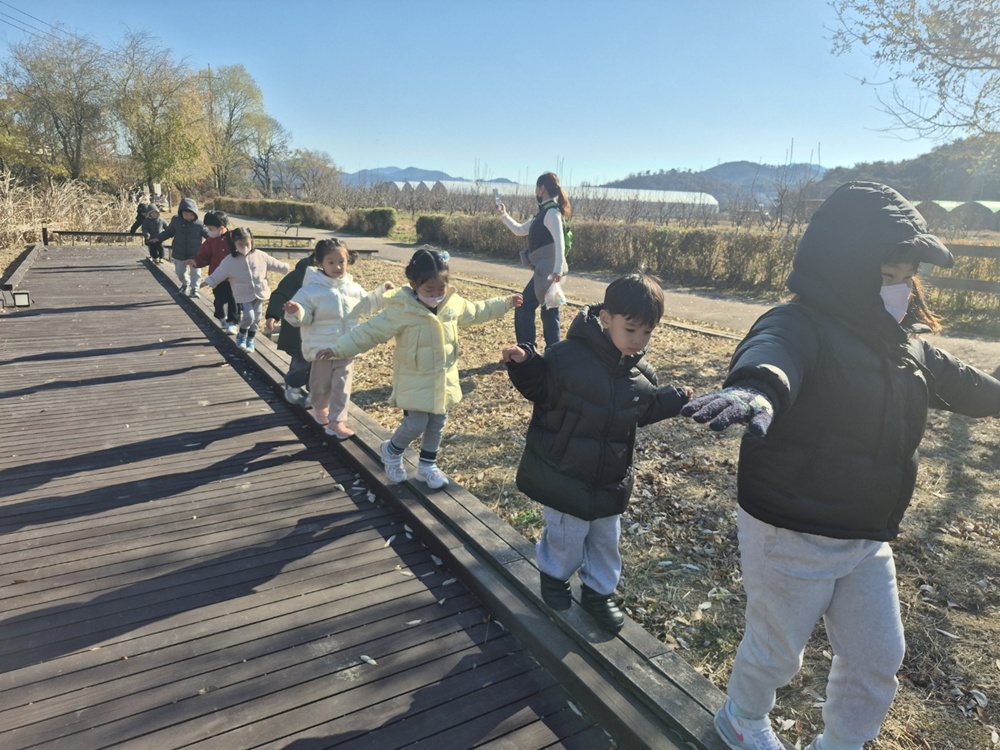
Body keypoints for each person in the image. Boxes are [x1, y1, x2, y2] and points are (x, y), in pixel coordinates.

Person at [679, 182, 1000, 750]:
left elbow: (974, 387)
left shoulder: (907, 347)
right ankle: (742, 718)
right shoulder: (799, 324)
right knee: (778, 651)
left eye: (905, 275)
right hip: (790, 526)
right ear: (844, 268)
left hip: (865, 534)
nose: (898, 289)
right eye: (885, 275)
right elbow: (772, 355)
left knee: (879, 657)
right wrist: (758, 391)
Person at [502, 273, 692, 632]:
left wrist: (673, 399)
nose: (639, 341)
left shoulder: (641, 374)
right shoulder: (566, 357)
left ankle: (598, 592)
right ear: (606, 320)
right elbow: (539, 386)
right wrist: (524, 363)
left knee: (606, 541)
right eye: (631, 329)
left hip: (610, 478)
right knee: (566, 537)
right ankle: (554, 576)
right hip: (564, 471)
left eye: (648, 333)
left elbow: (644, 411)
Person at [327, 246, 521, 488]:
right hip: (413, 380)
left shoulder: (453, 304)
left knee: (437, 425)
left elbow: (477, 311)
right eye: (429, 290)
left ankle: (427, 466)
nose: (437, 294)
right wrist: (338, 349)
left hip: (443, 380)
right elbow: (370, 332)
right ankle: (391, 450)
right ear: (413, 285)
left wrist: (506, 302)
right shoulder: (402, 310)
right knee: (416, 424)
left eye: (442, 288)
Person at [282, 238, 394, 440]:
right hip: (321, 349)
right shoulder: (310, 290)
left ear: (348, 261)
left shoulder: (352, 288)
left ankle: (336, 421)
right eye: (331, 262)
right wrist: (295, 310)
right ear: (320, 263)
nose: (337, 266)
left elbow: (366, 305)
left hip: (346, 347)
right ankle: (320, 409)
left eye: (341, 261)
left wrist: (381, 292)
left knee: (341, 386)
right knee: (320, 386)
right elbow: (303, 318)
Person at [497, 171, 571, 349]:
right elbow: (519, 230)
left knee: (524, 305)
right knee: (549, 312)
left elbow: (560, 242)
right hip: (550, 270)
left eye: (536, 187)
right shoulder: (544, 213)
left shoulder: (551, 213)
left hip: (549, 271)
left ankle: (527, 349)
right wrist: (503, 214)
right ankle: (554, 352)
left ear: (542, 188)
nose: (535, 191)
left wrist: (558, 270)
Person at [201, 228, 290, 353]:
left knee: (257, 318)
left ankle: (250, 339)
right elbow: (219, 272)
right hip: (242, 294)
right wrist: (209, 281)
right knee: (249, 316)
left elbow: (274, 264)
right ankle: (241, 335)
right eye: (240, 245)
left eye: (247, 244)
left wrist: (286, 268)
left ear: (252, 241)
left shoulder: (260, 255)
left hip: (259, 292)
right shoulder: (230, 261)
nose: (244, 247)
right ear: (234, 244)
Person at [266, 249, 316, 407]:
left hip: (320, 332)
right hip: (297, 332)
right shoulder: (299, 275)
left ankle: (314, 392)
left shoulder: (332, 279)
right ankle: (293, 384)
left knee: (318, 365)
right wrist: (273, 315)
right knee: (301, 362)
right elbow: (280, 294)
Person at [190, 211, 240, 334]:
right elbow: (204, 256)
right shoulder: (210, 241)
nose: (209, 231)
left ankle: (232, 322)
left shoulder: (234, 238)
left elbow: (245, 250)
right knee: (219, 301)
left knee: (233, 300)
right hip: (217, 277)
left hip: (233, 277)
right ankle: (220, 316)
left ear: (221, 228)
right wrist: (195, 261)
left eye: (211, 229)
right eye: (207, 228)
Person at [158, 197, 208, 298]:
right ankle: (185, 284)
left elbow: (208, 234)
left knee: (196, 272)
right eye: (186, 215)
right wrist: (158, 238)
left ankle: (194, 289)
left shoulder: (200, 223)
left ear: (195, 214)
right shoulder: (176, 220)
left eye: (191, 215)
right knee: (180, 272)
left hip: (195, 254)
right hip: (179, 253)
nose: (188, 217)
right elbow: (169, 232)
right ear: (181, 213)